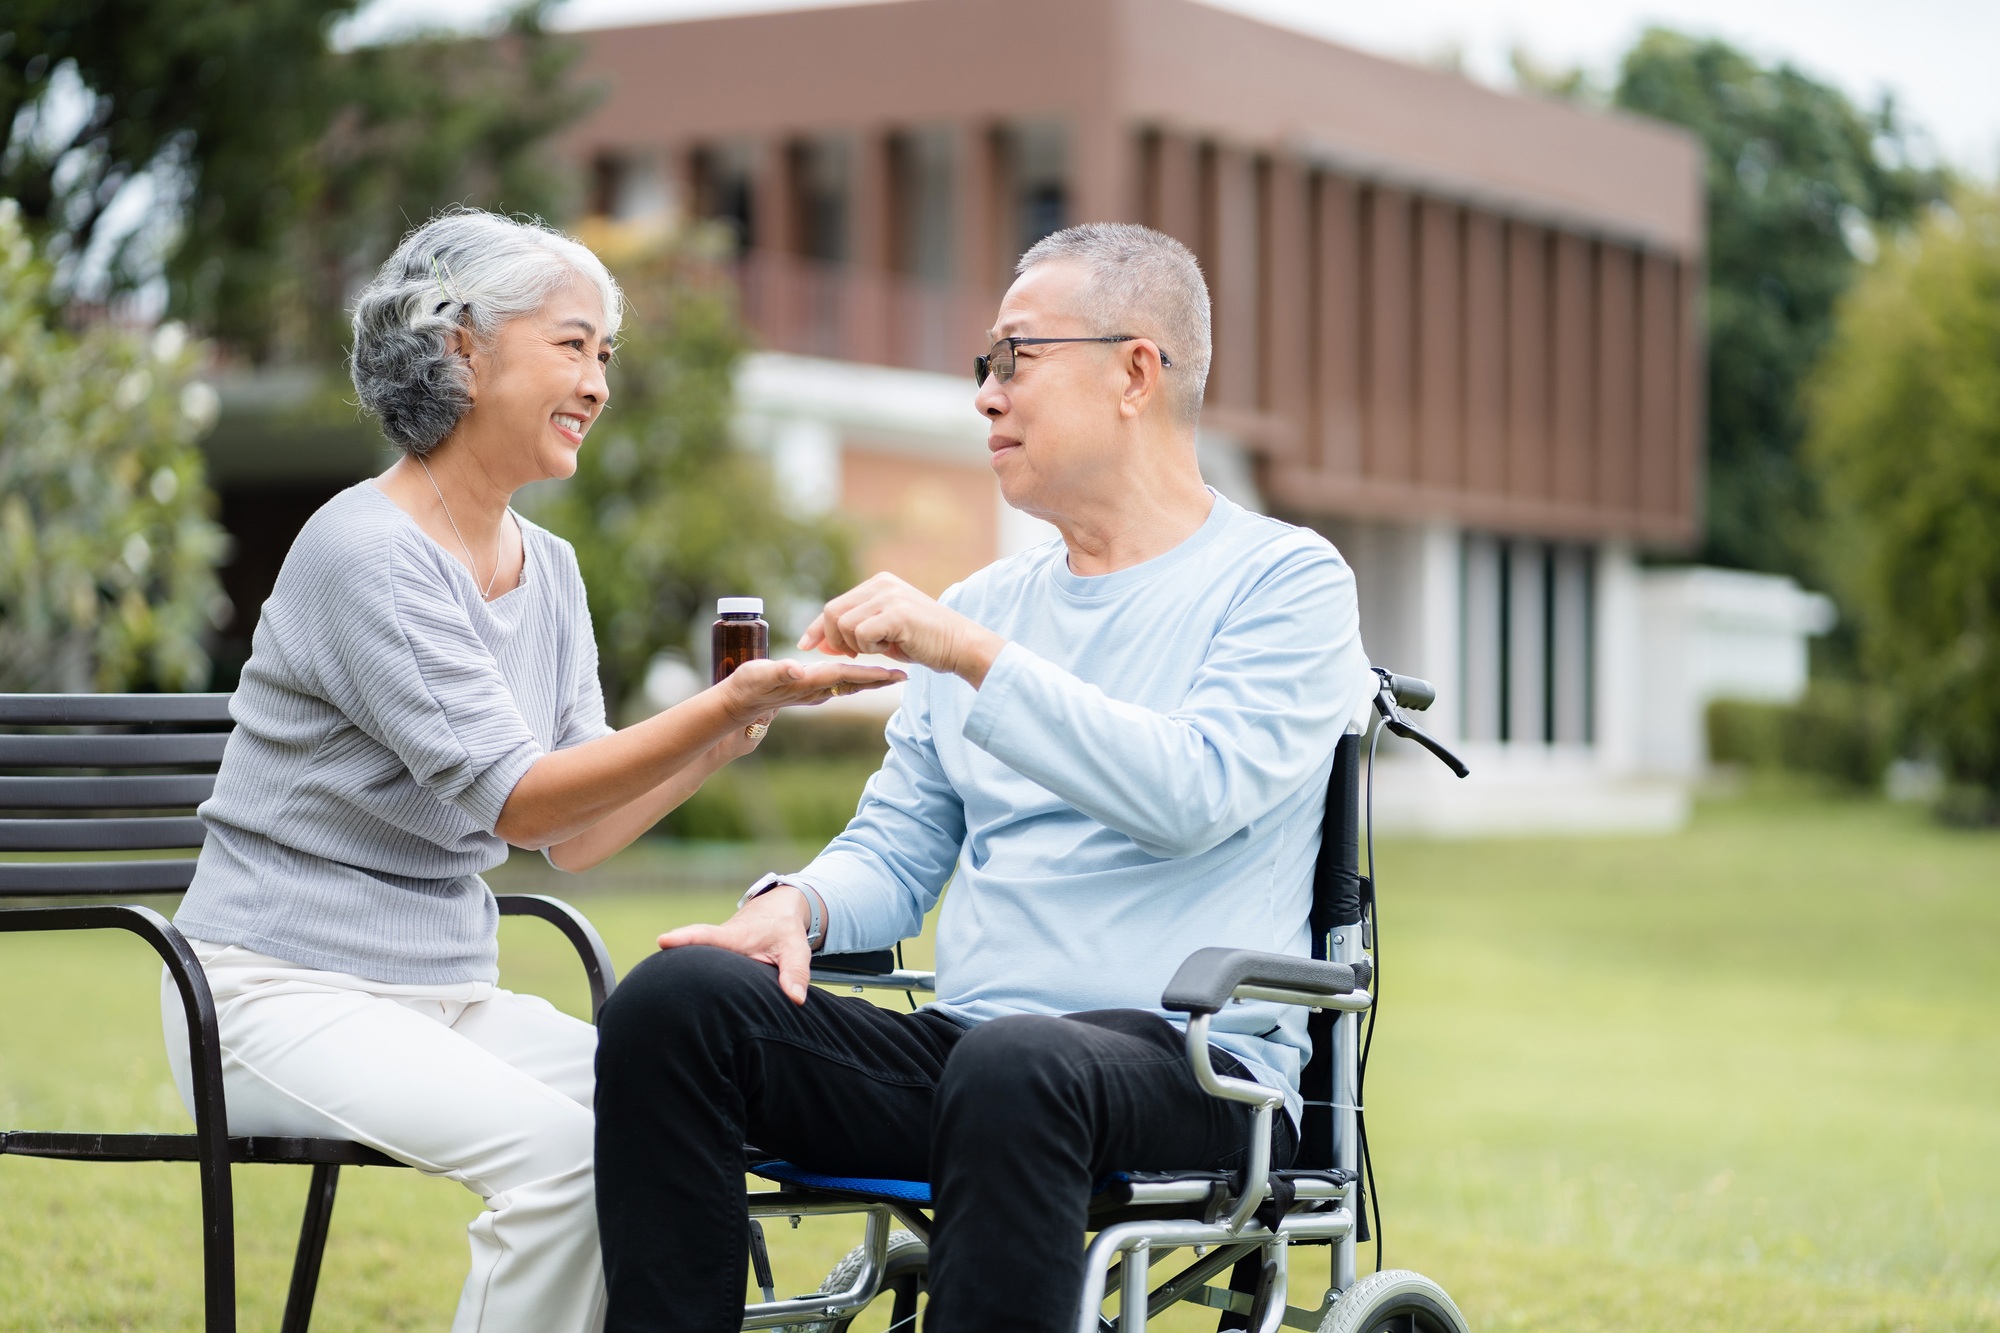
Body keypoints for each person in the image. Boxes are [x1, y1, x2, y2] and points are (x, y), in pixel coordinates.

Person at [592, 222, 1375, 1332]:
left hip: (1196, 1070)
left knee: (1016, 1066)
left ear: (1134, 373)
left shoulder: (1284, 580)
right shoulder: (984, 606)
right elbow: (899, 847)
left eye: (1016, 358)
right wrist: (798, 905)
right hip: (975, 1058)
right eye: (984, 364)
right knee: (674, 1008)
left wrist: (971, 656)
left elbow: (1194, 791)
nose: (985, 395)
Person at [160, 208, 900, 1333]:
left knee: (663, 1109)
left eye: (606, 353)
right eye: (570, 344)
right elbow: (517, 799)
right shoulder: (367, 551)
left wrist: (728, 732)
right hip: (272, 994)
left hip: (444, 995)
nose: (597, 383)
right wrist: (723, 701)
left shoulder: (547, 567)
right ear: (461, 348)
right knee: (566, 1159)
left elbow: (577, 832)